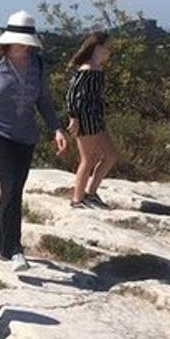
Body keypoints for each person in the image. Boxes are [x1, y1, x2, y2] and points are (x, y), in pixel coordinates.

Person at [0, 11, 68, 272]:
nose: (22, 45)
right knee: (10, 184)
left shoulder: (37, 65)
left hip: (25, 135)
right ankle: (14, 249)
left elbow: (43, 100)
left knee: (14, 188)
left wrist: (56, 129)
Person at [66, 32, 117, 209]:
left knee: (110, 155)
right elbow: (72, 95)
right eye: (107, 48)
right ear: (97, 48)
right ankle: (77, 199)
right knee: (87, 159)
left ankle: (91, 192)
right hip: (85, 119)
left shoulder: (96, 69)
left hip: (96, 118)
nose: (109, 52)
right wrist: (73, 117)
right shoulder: (86, 70)